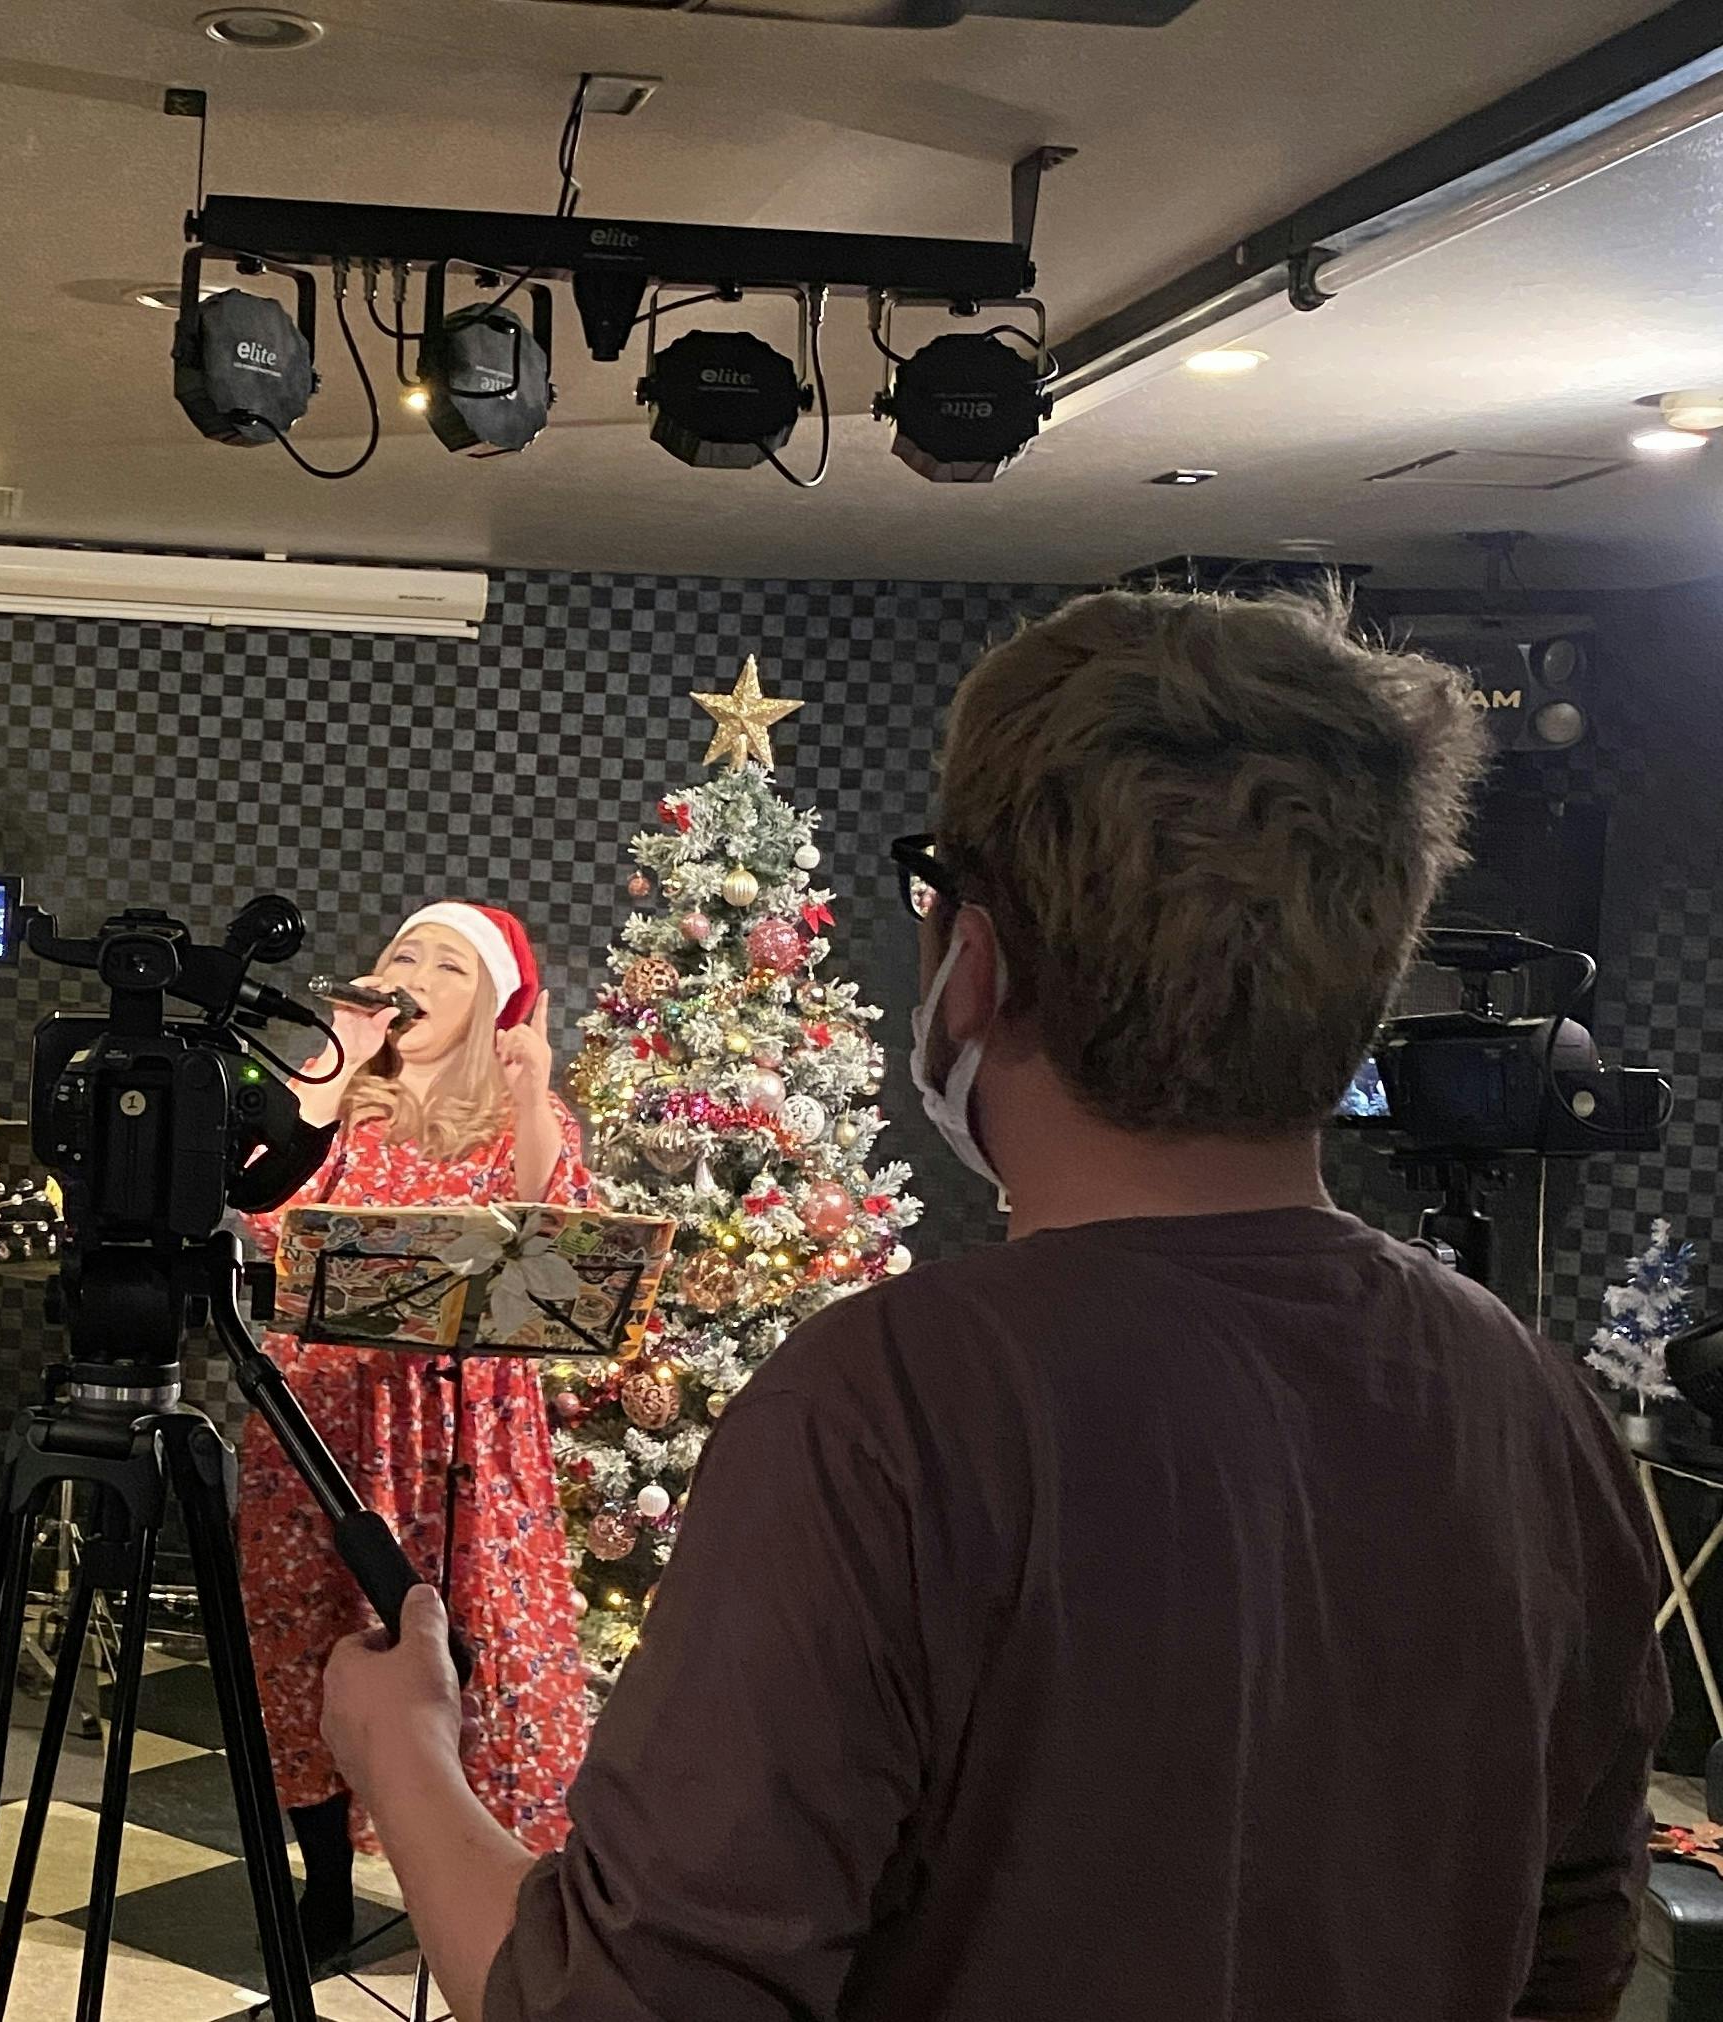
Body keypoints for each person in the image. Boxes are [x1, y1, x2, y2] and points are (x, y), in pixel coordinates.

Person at [320, 590, 1668, 2021]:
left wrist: (405, 1754)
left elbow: (619, 2005)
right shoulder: (1534, 1403)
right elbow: (1575, 1943)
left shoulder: (887, 1408)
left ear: (975, 965)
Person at [237, 900, 600, 1972]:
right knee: (302, 1645)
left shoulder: (524, 1113)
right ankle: (323, 1887)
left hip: (465, 1433)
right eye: (405, 955)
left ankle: (493, 1886)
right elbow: (262, 1206)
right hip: (320, 1421)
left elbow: (558, 1235)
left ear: (491, 1001)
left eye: (449, 965)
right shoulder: (340, 1098)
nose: (418, 976)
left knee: (487, 1649)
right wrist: (339, 1061)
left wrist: (530, 1091)